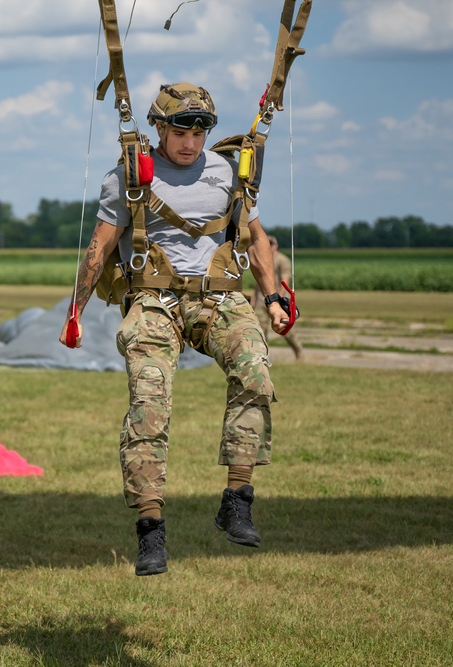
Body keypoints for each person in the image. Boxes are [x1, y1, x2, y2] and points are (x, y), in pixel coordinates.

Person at [59, 83, 293, 576]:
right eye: (181, 129)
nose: (191, 140)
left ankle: (238, 499)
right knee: (150, 401)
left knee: (256, 370)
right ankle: (151, 530)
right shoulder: (129, 177)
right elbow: (98, 249)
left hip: (218, 298)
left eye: (201, 129)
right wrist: (74, 311)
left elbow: (255, 239)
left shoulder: (229, 173)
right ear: (160, 129)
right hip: (153, 301)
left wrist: (272, 297)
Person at [251, 235, 303, 361]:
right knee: (260, 328)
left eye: (272, 243)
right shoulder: (262, 259)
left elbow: (285, 280)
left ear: (276, 245)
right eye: (267, 243)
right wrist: (253, 299)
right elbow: (258, 282)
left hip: (277, 300)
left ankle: (298, 351)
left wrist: (278, 298)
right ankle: (262, 357)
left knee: (285, 329)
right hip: (261, 300)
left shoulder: (282, 260)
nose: (270, 246)